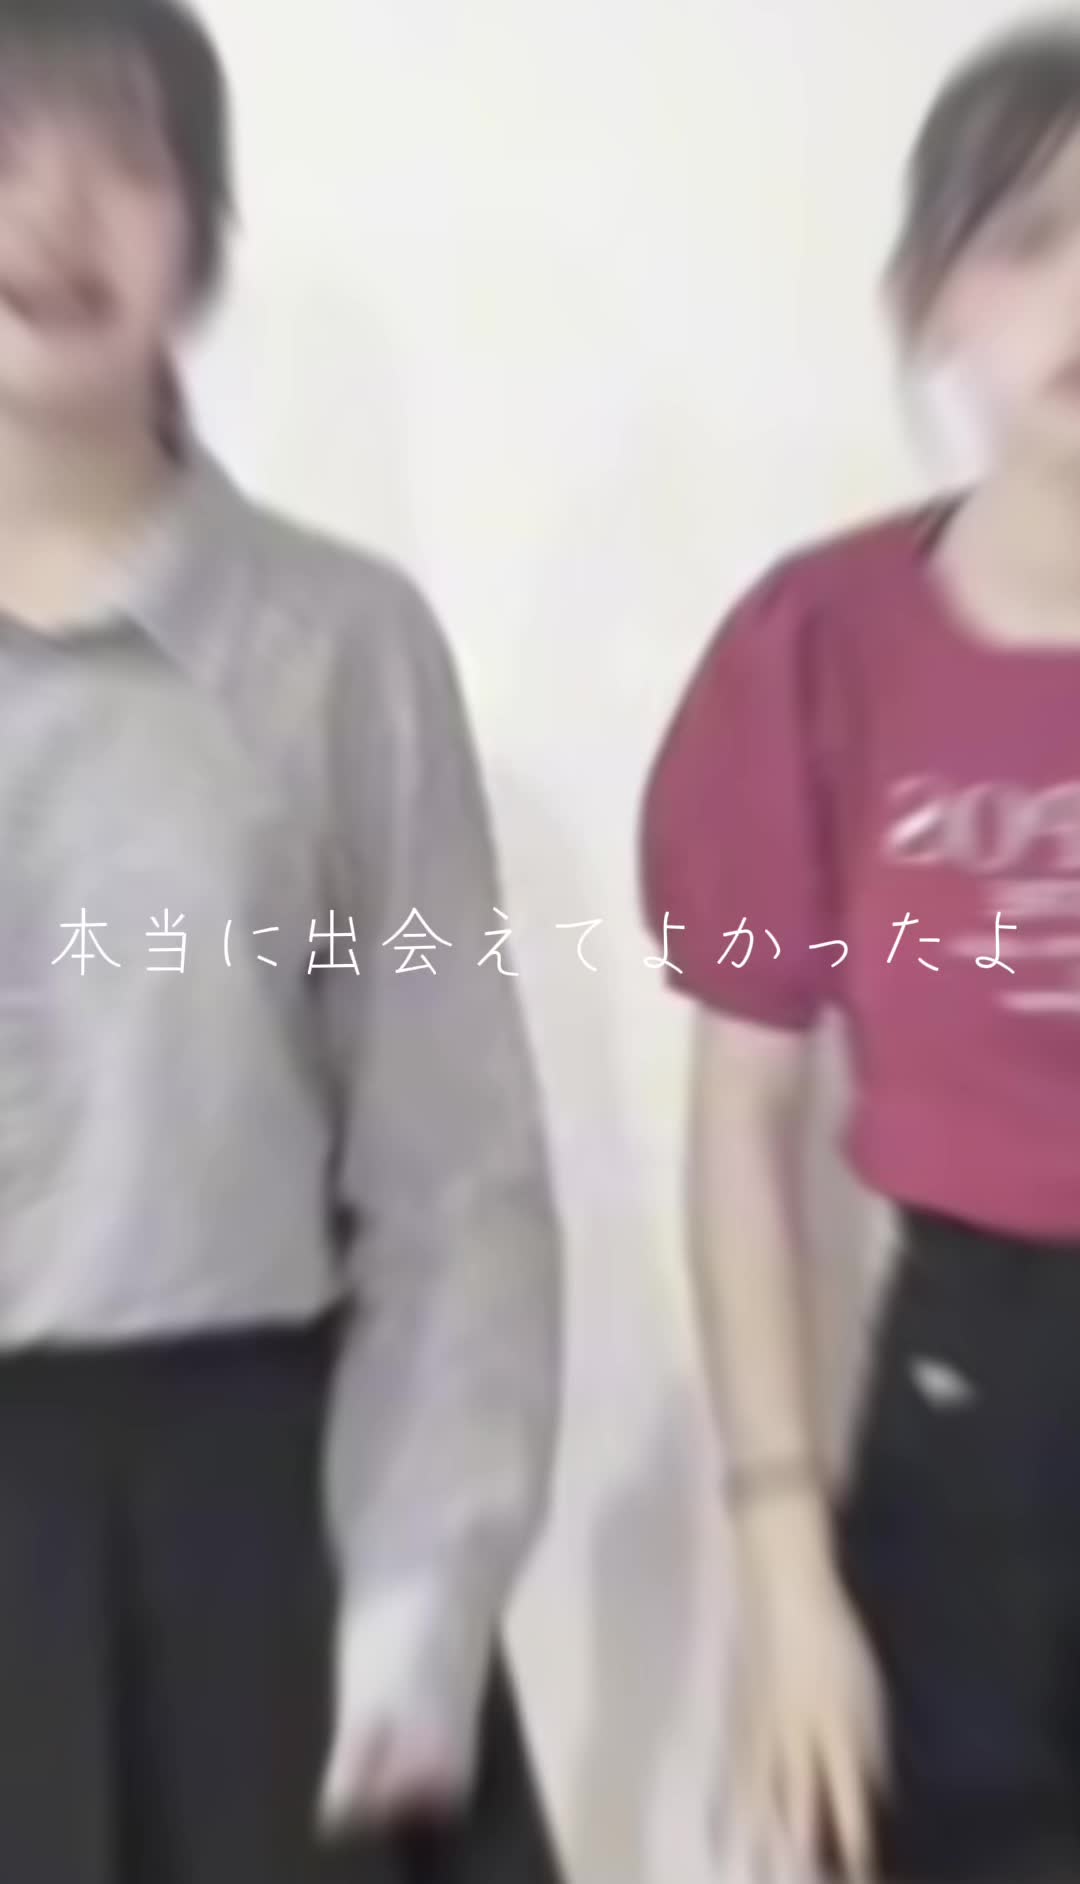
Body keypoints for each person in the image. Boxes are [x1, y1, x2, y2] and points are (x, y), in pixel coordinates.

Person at [0, 1, 565, 1880]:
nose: (53, 209)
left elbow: (457, 1184)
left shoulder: (341, 647)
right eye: (3, 147)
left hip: (257, 1554)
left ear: (203, 229)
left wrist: (420, 1601)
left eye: (125, 155)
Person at [640, 18, 1080, 1884]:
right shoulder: (817, 650)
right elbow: (743, 1110)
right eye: (1035, 238)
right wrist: (778, 1549)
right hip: (975, 1408)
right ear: (928, 301)